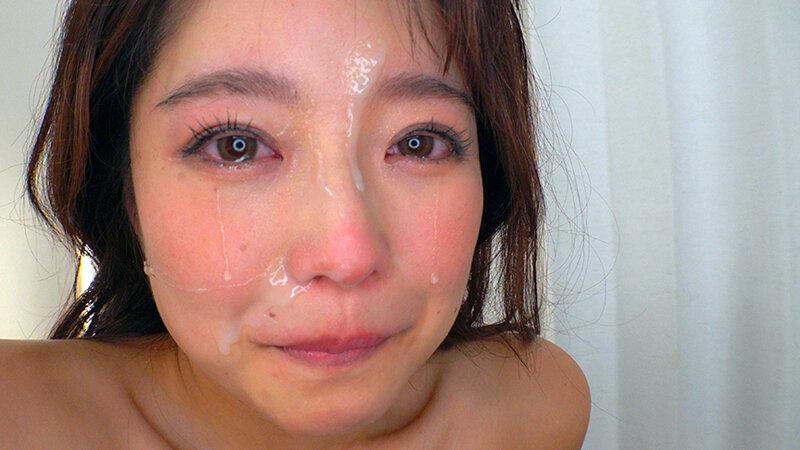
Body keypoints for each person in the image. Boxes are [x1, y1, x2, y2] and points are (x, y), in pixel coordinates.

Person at [1, 0, 590, 448]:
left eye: (419, 142)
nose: (348, 255)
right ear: (125, 188)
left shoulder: (532, 406)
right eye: (234, 146)